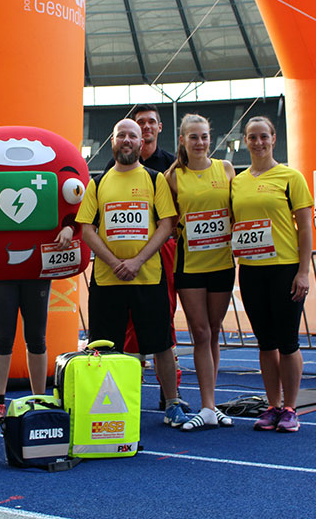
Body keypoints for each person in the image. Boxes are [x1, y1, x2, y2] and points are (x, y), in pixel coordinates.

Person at [76, 118, 189, 427]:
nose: (126, 140)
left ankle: (173, 403)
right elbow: (86, 229)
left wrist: (138, 261)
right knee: (104, 347)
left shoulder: (155, 180)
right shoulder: (97, 183)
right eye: (121, 135)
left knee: (161, 344)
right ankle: (105, 405)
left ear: (142, 143)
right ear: (112, 142)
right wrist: (114, 263)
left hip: (148, 277)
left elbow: (167, 224)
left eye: (132, 136)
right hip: (107, 280)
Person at [230, 116, 313, 433]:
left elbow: (305, 227)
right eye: (252, 137)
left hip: (285, 269)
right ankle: (272, 405)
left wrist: (303, 271)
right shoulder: (237, 181)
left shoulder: (291, 177)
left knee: (288, 342)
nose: (258, 142)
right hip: (251, 271)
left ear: (274, 139)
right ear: (246, 141)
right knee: (265, 343)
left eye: (263, 136)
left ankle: (291, 408)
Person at [105, 105, 182, 409]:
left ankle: (170, 394)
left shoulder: (171, 167)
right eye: (139, 123)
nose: (145, 128)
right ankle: (125, 396)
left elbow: (171, 219)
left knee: (164, 325)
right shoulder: (108, 174)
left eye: (150, 123)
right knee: (124, 329)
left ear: (158, 128)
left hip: (160, 254)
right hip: (119, 261)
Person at [164, 114, 236, 431]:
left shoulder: (227, 169)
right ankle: (207, 405)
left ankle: (211, 403)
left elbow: (239, 211)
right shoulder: (173, 177)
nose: (200, 142)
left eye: (204, 136)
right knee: (201, 332)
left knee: (215, 330)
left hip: (222, 263)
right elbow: (168, 220)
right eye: (193, 137)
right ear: (183, 140)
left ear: (210, 138)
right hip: (189, 265)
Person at [0, 221, 75, 424]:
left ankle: (39, 399)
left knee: (36, 337)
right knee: (2, 337)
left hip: (35, 269)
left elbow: (70, 216)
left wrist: (69, 228)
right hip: (0, 270)